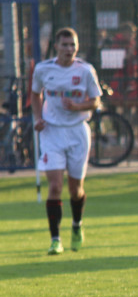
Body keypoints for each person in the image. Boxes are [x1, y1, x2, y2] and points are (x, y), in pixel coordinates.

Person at [30, 27, 102, 255]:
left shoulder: (85, 71)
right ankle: (55, 239)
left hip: (77, 132)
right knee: (55, 186)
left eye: (73, 45)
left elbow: (96, 101)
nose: (69, 49)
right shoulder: (43, 69)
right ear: (56, 47)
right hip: (52, 133)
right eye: (65, 45)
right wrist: (39, 117)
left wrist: (78, 106)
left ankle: (77, 226)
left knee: (75, 189)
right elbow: (34, 94)